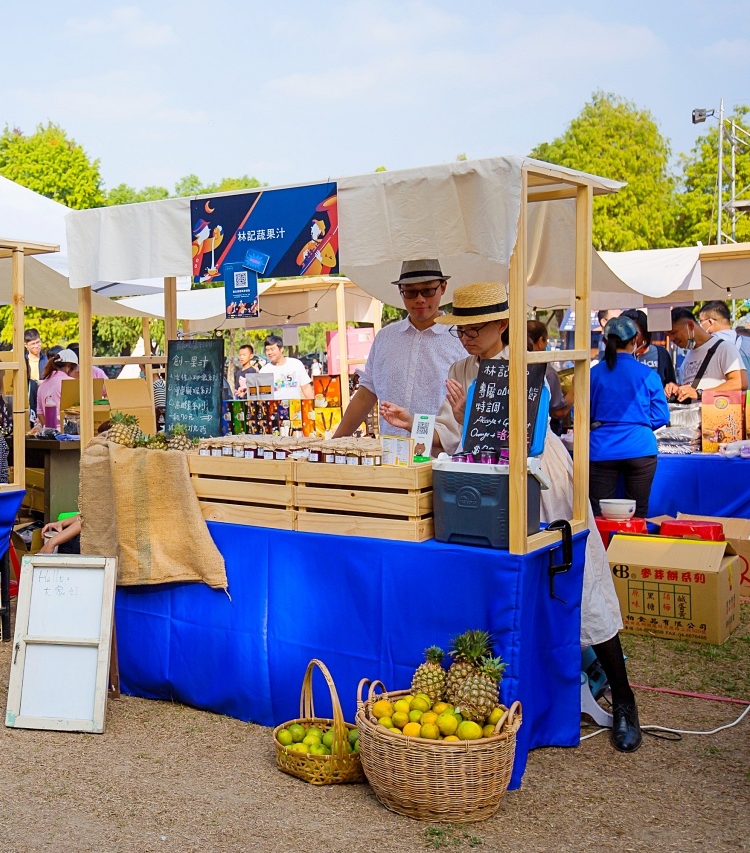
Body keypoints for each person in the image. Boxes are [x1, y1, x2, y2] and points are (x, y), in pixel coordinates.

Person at [382, 281, 642, 752]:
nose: (466, 339)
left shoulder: (528, 365)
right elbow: (451, 433)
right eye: (461, 331)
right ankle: (532, 693)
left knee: (580, 579)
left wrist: (468, 420)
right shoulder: (461, 367)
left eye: (474, 330)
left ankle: (623, 698)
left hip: (541, 480)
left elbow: (522, 433)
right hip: (486, 487)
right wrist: (413, 422)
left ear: (502, 324)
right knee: (509, 584)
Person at [334, 259, 466, 437]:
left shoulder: (460, 338)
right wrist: (334, 442)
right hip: (391, 449)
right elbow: (366, 395)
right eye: (411, 292)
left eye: (428, 291)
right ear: (400, 291)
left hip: (442, 451)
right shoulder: (385, 338)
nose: (420, 299)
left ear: (443, 287)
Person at [587, 315, 669, 519]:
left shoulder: (592, 374)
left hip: (602, 448)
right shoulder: (648, 374)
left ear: (605, 341)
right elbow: (661, 415)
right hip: (640, 448)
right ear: (634, 341)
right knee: (638, 513)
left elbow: (579, 414)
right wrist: (638, 424)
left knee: (599, 515)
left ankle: (602, 542)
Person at [667, 307, 745, 403]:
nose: (672, 338)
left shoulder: (724, 348)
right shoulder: (688, 356)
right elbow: (691, 390)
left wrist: (701, 393)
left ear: (690, 325)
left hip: (718, 410)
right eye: (668, 335)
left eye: (673, 332)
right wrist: (677, 389)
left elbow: (740, 382)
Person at [526, 320, 571, 431]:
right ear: (540, 341)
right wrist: (574, 390)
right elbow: (558, 412)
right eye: (546, 341)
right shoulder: (548, 372)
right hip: (541, 432)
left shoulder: (506, 366)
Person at [618, 309, 676, 387]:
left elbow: (671, 383)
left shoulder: (661, 354)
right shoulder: (612, 356)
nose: (630, 337)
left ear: (645, 332)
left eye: (635, 332)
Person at [35, 350, 78, 426]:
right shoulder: (70, 382)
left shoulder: (42, 385)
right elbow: (76, 412)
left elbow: (40, 414)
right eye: (75, 369)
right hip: (68, 431)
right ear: (68, 367)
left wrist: (49, 430)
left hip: (50, 431)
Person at [263, 335, 312, 400]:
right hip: (274, 406)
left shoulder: (296, 364)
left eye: (272, 349)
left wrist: (312, 403)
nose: (269, 352)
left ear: (281, 349)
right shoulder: (264, 371)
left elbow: (306, 387)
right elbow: (263, 395)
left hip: (294, 405)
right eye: (267, 350)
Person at [24, 328, 46, 413]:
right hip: (28, 402)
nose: (36, 346)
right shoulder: (23, 361)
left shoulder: (46, 360)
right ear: (25, 345)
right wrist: (35, 383)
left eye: (38, 342)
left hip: (44, 400)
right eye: (33, 344)